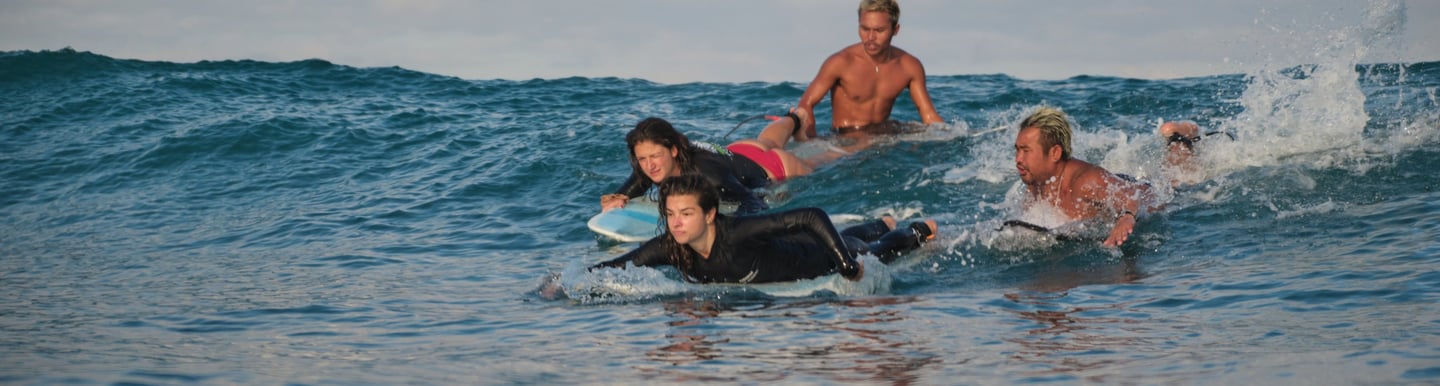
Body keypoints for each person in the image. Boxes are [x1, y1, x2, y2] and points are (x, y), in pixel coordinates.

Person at [592, 174, 938, 284]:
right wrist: (570, 285)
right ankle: (879, 223)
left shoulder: (737, 232)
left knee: (875, 251)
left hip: (818, 257)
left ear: (710, 214)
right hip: (788, 245)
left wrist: (847, 265)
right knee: (852, 236)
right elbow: (616, 266)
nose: (676, 223)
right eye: (670, 214)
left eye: (686, 213)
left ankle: (918, 230)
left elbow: (811, 216)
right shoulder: (671, 247)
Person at [791, 0, 944, 145]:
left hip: (884, 137)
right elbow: (806, 104)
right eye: (865, 29)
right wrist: (811, 141)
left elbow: (929, 116)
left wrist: (948, 138)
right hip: (845, 139)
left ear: (895, 30)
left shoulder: (909, 66)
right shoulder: (840, 63)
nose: (870, 37)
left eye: (879, 30)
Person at [600, 115, 821, 215]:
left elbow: (752, 202)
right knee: (768, 141)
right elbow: (632, 185)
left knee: (823, 158)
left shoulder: (707, 176)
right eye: (642, 159)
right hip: (739, 152)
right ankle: (795, 118)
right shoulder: (653, 166)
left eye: (655, 156)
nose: (649, 166)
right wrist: (617, 198)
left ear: (673, 150)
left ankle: (842, 143)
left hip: (774, 167)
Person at [1013, 107, 1157, 247]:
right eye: (1017, 150)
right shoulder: (1035, 182)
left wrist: (1125, 218)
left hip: (1146, 193)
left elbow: (1133, 196)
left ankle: (1171, 142)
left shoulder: (1085, 182)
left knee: (1167, 186)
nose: (1018, 159)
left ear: (1055, 153)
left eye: (1026, 151)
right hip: (1112, 184)